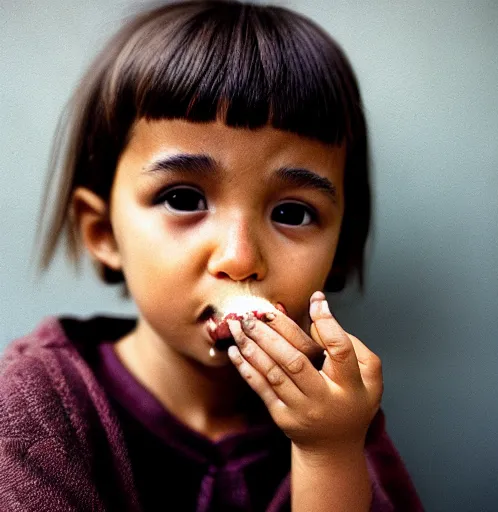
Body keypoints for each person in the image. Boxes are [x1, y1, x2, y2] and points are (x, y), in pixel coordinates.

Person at [0, 1, 423, 510]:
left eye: (292, 213)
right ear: (102, 232)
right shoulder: (35, 405)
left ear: (339, 248)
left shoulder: (339, 412)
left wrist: (329, 451)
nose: (240, 259)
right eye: (183, 200)